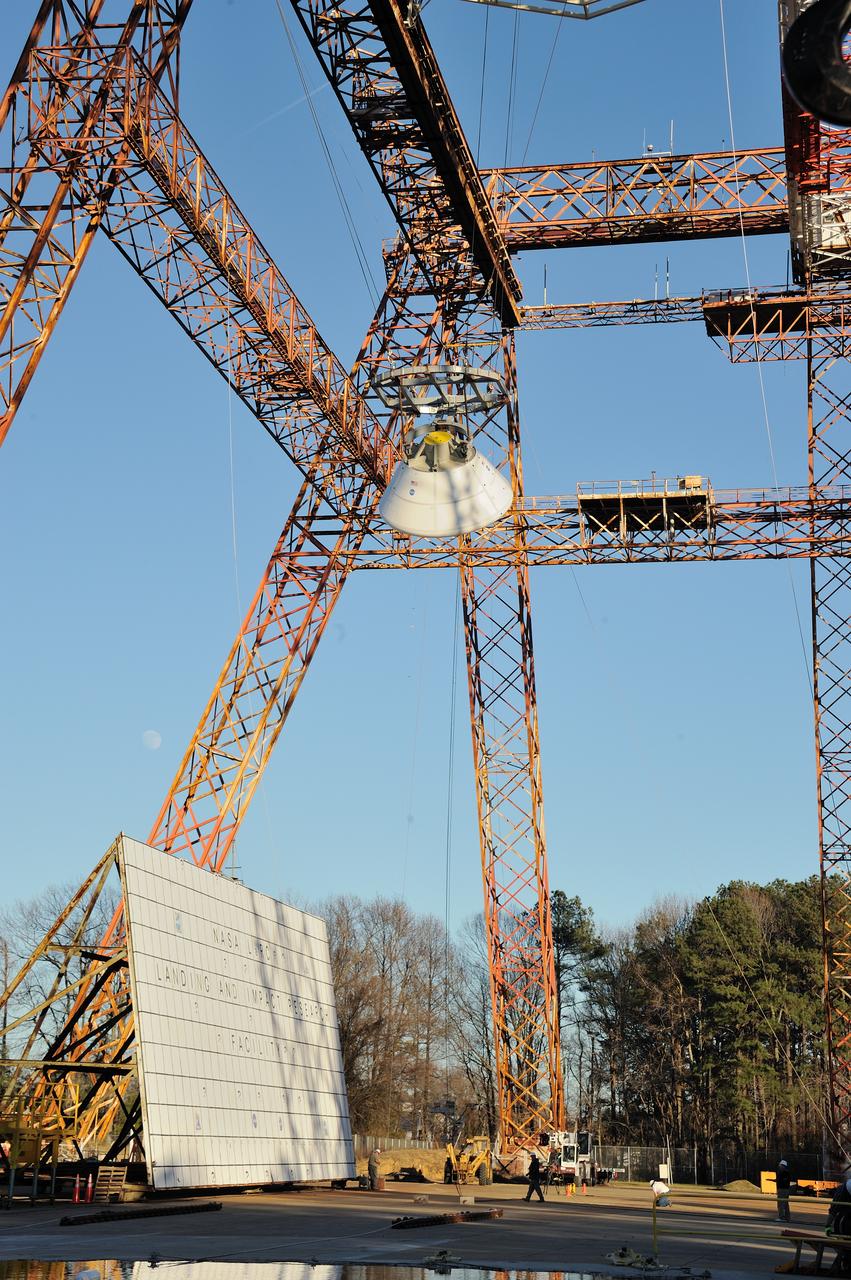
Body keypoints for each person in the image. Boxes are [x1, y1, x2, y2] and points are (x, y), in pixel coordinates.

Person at [776, 1159, 793, 1223]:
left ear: (783, 1166)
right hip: (785, 1190)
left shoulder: (784, 1173)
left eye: (780, 1165)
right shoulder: (786, 1173)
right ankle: (787, 1218)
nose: (779, 1166)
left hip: (782, 1190)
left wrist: (777, 1181)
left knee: (781, 1204)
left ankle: (782, 1217)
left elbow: (783, 1181)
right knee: (785, 1204)